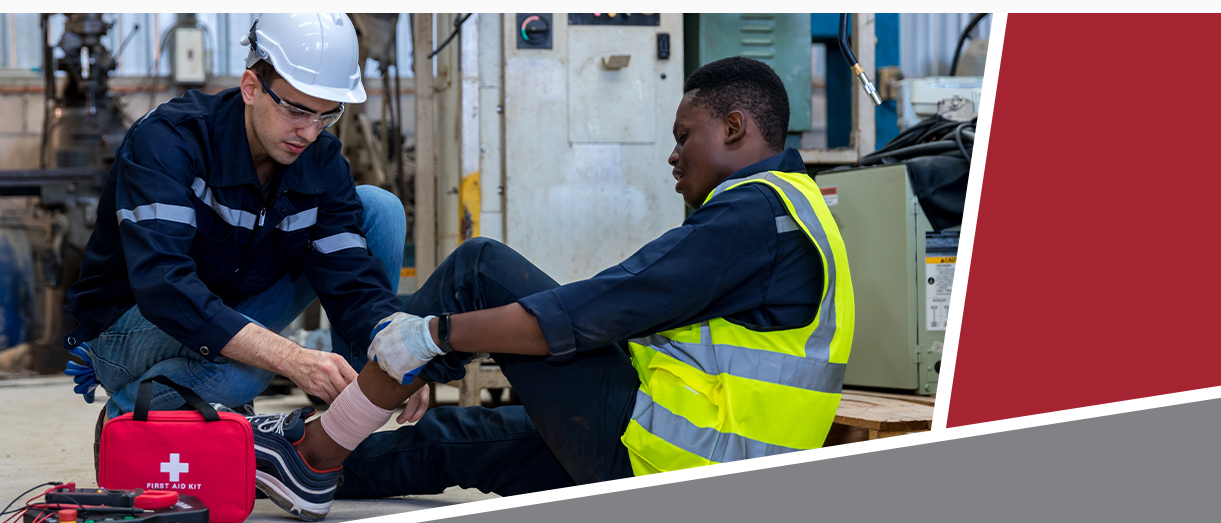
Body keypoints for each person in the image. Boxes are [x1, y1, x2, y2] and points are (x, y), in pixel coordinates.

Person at [245, 56, 858, 516]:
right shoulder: (790, 209)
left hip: (669, 464)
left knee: (478, 268)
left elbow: (600, 308)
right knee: (465, 440)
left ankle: (323, 440)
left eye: (683, 135)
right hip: (678, 459)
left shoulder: (753, 217)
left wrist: (431, 336)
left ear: (732, 127)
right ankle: (266, 463)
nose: (673, 156)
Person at [60, 13, 430, 427]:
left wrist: (400, 352)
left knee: (380, 209)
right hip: (132, 325)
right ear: (251, 87)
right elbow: (164, 285)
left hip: (234, 306)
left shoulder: (319, 158)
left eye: (326, 115)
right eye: (296, 111)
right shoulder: (169, 140)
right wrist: (289, 357)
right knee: (246, 372)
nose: (310, 133)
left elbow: (352, 278)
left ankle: (352, 420)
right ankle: (127, 416)